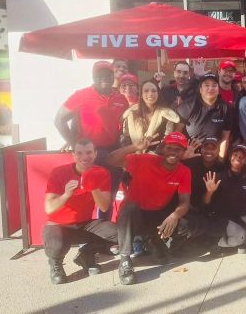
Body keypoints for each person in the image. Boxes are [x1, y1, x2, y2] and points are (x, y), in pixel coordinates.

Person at [108, 132, 195, 285]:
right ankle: (125, 260)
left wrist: (174, 216)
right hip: (134, 215)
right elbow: (111, 160)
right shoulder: (145, 160)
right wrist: (134, 147)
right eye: (169, 148)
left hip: (156, 214)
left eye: (178, 149)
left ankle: (154, 241)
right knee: (129, 208)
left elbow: (184, 201)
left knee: (185, 226)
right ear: (162, 148)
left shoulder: (184, 171)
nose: (173, 152)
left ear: (183, 152)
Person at [55, 61, 128, 219]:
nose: (104, 77)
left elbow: (126, 126)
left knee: (107, 200)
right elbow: (59, 120)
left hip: (112, 154)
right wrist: (74, 143)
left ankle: (102, 231)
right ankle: (84, 229)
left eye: (107, 74)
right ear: (93, 76)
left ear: (113, 76)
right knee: (84, 196)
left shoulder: (121, 99)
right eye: (99, 74)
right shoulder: (81, 95)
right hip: (88, 155)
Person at [43, 138, 117, 284]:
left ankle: (85, 254)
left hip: (84, 224)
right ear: (73, 155)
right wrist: (66, 195)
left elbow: (104, 207)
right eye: (79, 153)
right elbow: (49, 208)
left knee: (119, 234)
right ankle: (56, 263)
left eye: (89, 152)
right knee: (57, 245)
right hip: (58, 225)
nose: (84, 157)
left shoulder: (101, 172)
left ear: (95, 154)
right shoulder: (59, 172)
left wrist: (94, 187)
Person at [202, 144, 246, 256]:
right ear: (230, 157)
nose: (238, 157)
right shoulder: (219, 176)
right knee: (242, 237)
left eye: (242, 156)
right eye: (235, 154)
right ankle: (217, 243)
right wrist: (210, 192)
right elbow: (205, 203)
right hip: (221, 219)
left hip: (239, 216)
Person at [179, 72, 234, 158]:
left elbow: (225, 138)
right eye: (207, 85)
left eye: (214, 85)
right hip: (190, 154)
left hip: (214, 155)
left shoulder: (226, 108)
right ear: (200, 89)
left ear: (218, 89)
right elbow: (177, 132)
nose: (210, 88)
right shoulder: (187, 106)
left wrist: (221, 160)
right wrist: (182, 155)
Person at [119, 79, 182, 153]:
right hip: (133, 156)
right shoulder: (130, 113)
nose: (150, 94)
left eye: (154, 91)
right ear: (141, 95)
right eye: (146, 91)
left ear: (158, 94)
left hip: (156, 156)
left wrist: (154, 153)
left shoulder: (167, 114)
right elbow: (125, 138)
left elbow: (167, 140)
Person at [184, 137, 224, 209]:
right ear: (201, 149)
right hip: (186, 204)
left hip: (209, 208)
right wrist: (182, 158)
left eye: (213, 148)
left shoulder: (222, 168)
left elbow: (208, 202)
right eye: (206, 148)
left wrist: (210, 192)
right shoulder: (190, 163)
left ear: (218, 151)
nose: (209, 151)